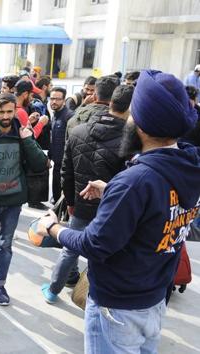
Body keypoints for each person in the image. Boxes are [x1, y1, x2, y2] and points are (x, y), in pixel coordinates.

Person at [38, 70, 200, 354]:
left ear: (143, 125)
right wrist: (113, 189)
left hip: (118, 307)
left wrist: (54, 228)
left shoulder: (135, 182)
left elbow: (95, 244)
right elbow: (157, 207)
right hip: (153, 300)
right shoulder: (187, 166)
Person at [41, 85, 133, 304]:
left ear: (108, 103)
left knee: (70, 248)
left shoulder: (77, 130)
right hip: (113, 208)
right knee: (106, 253)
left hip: (81, 204)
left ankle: (53, 290)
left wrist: (71, 202)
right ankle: (95, 297)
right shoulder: (132, 140)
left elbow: (65, 171)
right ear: (130, 108)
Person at [0, 93, 48, 305]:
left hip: (13, 203)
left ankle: (0, 284)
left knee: (5, 246)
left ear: (15, 111)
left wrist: (27, 140)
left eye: (9, 112)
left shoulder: (23, 134)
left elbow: (41, 164)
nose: (5, 116)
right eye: (1, 111)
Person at [47, 87, 73, 203]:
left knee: (62, 195)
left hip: (65, 163)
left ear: (64, 100)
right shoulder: (55, 114)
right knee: (56, 193)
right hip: (57, 161)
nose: (54, 102)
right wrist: (49, 156)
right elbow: (53, 138)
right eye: (52, 98)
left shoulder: (69, 116)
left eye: (58, 99)